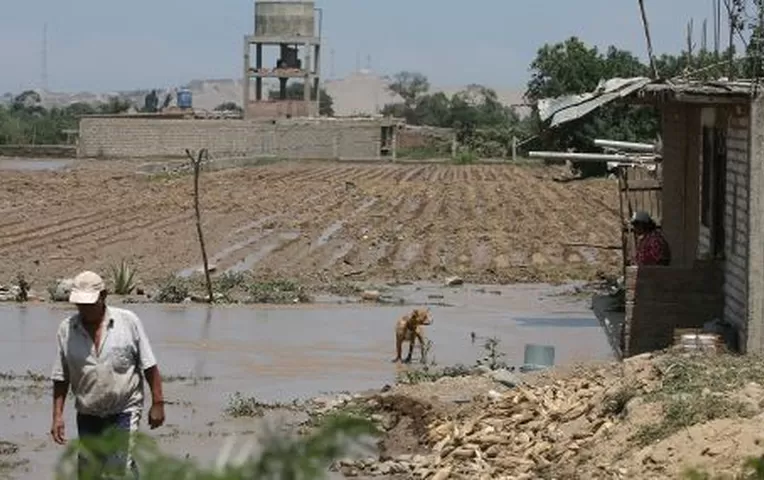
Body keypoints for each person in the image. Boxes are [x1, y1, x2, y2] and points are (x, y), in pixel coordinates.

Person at [50, 270, 166, 478]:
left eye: (89, 304)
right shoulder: (67, 330)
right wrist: (57, 416)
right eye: (80, 304)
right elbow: (61, 376)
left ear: (103, 296)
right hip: (88, 412)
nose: (84, 309)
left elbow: (150, 366)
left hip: (124, 408)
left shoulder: (128, 322)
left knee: (118, 466)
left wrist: (158, 403)